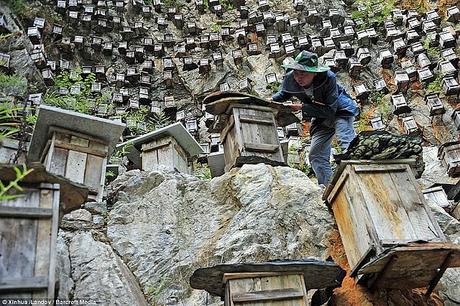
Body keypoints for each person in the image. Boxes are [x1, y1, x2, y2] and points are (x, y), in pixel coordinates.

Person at [272, 50, 359, 186]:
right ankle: (328, 187)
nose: (298, 77)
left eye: (303, 73)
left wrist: (302, 107)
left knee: (347, 144)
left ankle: (359, 179)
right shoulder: (290, 78)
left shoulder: (328, 78)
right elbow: (282, 94)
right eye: (296, 72)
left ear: (314, 72)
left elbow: (331, 109)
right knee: (316, 155)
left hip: (339, 111)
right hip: (319, 116)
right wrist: (267, 102)